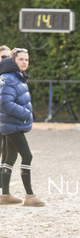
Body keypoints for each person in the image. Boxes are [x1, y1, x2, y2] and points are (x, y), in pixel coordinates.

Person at [0, 47, 44, 206]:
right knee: (27, 156)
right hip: (12, 124)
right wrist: (25, 113)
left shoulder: (17, 76)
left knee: (10, 157)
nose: (24, 62)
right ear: (13, 60)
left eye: (26, 59)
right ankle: (30, 195)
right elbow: (5, 103)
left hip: (12, 124)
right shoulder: (9, 78)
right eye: (21, 59)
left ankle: (5, 195)